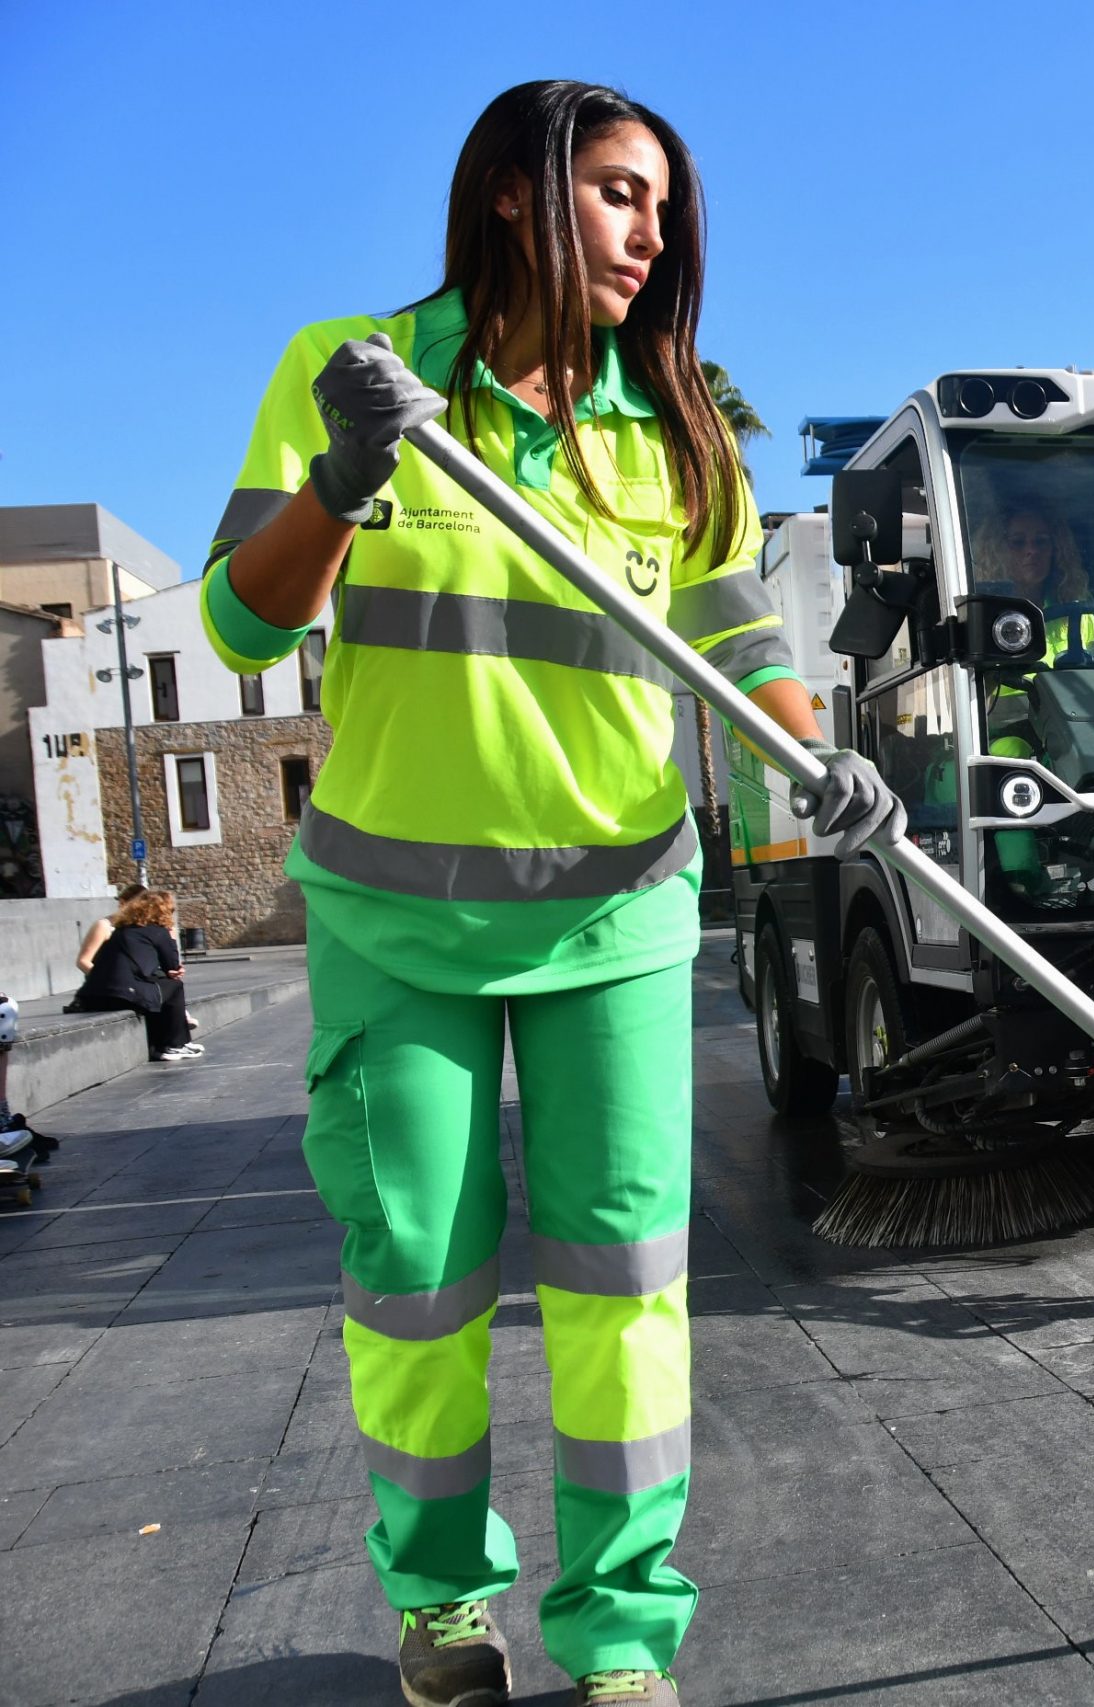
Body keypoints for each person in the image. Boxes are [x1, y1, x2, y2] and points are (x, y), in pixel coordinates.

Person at [198, 82, 898, 1707]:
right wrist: (347, 476)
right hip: (398, 921)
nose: (652, 235)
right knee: (421, 1283)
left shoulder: (678, 425)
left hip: (617, 922)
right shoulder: (349, 371)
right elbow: (242, 622)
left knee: (622, 1297)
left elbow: (736, 645)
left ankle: (620, 1640)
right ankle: (444, 1612)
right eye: (616, 193)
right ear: (515, 195)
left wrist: (819, 754)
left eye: (664, 207)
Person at [69, 889, 198, 1061]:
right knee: (173, 987)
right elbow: (172, 965)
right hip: (123, 993)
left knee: (155, 991)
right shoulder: (157, 931)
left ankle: (168, 1044)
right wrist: (170, 934)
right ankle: (174, 1044)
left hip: (92, 997)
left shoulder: (121, 931)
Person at [74, 883, 148, 975]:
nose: (143, 913)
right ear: (122, 903)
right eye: (138, 908)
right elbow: (83, 961)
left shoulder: (143, 926)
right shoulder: (104, 926)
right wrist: (107, 980)